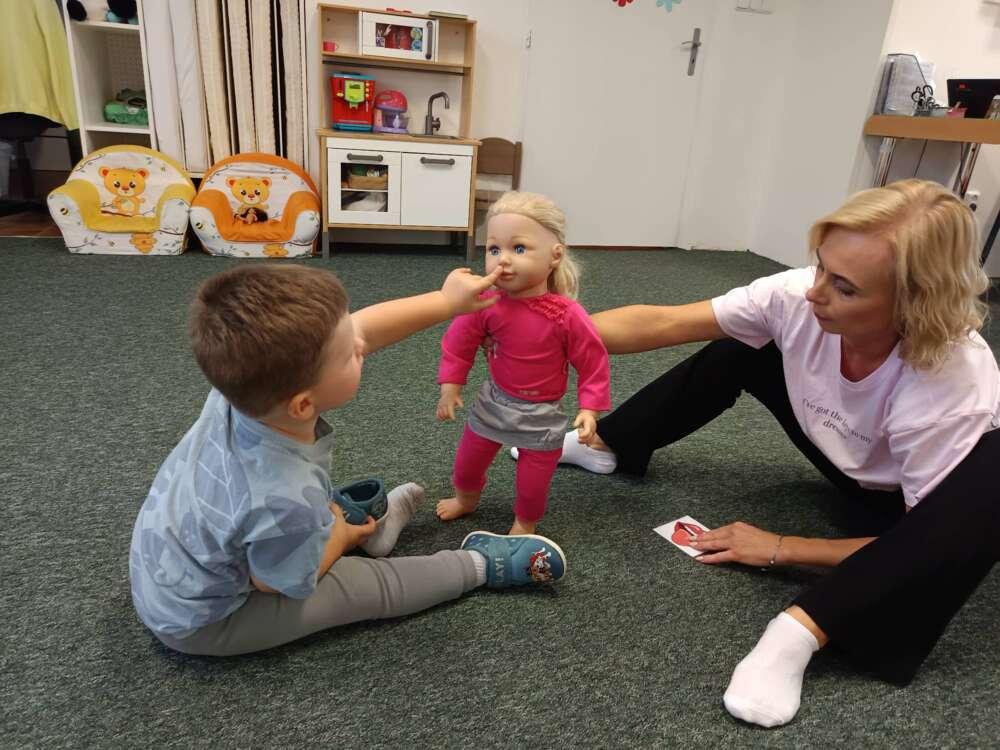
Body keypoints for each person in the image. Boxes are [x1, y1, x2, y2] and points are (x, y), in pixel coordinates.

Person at [527, 179, 1000, 727]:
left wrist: (781, 548)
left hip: (914, 515)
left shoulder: (951, 380)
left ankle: (797, 632)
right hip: (850, 456)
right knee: (742, 342)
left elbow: (921, 544)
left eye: (845, 288)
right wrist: (545, 333)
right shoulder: (799, 296)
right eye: (821, 266)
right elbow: (666, 321)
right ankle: (608, 444)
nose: (815, 292)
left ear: (913, 304)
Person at [128, 264, 568, 657]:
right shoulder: (283, 492)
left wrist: (445, 302)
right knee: (359, 588)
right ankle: (479, 565)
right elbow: (274, 583)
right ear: (303, 404)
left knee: (297, 519)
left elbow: (363, 329)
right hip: (206, 621)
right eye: (351, 353)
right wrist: (336, 537)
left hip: (178, 561)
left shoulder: (243, 385)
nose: (361, 344)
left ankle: (363, 531)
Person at [435, 191, 611, 535]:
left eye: (518, 248)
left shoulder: (567, 314)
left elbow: (592, 360)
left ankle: (525, 522)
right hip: (494, 402)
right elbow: (459, 341)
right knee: (466, 466)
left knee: (533, 483)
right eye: (493, 249)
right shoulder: (485, 302)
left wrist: (590, 409)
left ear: (554, 255)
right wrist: (450, 385)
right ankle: (465, 499)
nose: (502, 259)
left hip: (542, 415)